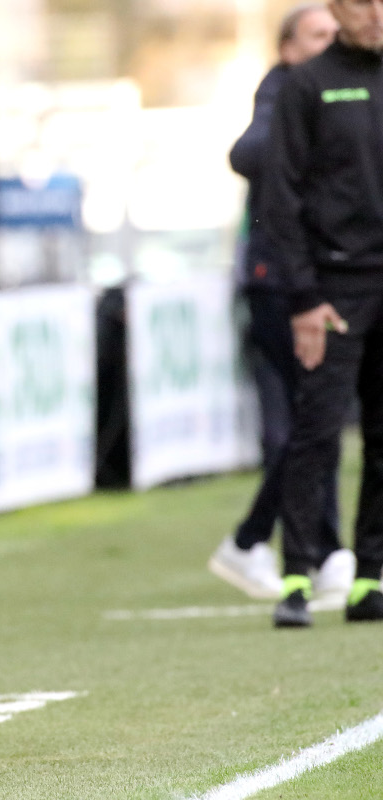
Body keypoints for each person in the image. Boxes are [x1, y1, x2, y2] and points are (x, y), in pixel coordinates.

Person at [209, 3, 352, 602]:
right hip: (280, 282)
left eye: (334, 35)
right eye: (317, 35)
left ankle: (315, 550)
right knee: (313, 420)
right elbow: (248, 154)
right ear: (288, 48)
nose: (330, 44)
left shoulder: (339, 90)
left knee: (312, 421)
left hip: (316, 278)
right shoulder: (288, 92)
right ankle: (271, 544)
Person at [265, 0, 383, 627]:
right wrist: (305, 298)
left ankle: (371, 577)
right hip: (334, 291)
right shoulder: (308, 84)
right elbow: (280, 197)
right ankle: (298, 577)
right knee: (317, 435)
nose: (375, 13)